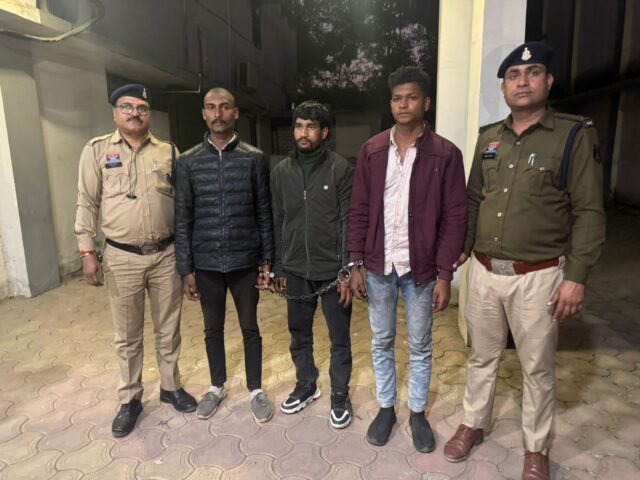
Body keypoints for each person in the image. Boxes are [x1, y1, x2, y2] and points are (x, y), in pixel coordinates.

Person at [443, 43, 606, 480]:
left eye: (532, 72)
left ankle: (536, 448)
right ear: (504, 87)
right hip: (483, 271)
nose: (522, 81)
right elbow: (473, 198)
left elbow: (590, 211)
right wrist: (462, 247)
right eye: (513, 75)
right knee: (482, 356)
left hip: (539, 276)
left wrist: (576, 277)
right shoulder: (489, 137)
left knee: (537, 368)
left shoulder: (572, 135)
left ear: (548, 81)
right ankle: (473, 423)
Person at [349, 66, 467, 452]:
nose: (403, 104)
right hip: (379, 264)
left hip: (422, 268)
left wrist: (445, 273)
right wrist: (355, 263)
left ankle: (417, 412)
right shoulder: (372, 150)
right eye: (397, 98)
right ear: (391, 104)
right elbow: (359, 209)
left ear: (425, 102)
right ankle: (386, 408)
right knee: (381, 340)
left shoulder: (445, 154)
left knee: (419, 343)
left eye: (411, 97)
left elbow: (455, 216)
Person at [75, 83, 197, 438]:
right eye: (127, 107)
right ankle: (130, 399)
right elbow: (87, 202)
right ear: (115, 112)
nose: (134, 113)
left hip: (165, 255)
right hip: (121, 256)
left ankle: (171, 387)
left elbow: (184, 206)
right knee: (127, 335)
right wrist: (87, 252)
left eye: (142, 108)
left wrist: (187, 257)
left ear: (149, 114)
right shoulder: (97, 150)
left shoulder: (168, 152)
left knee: (168, 328)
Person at [174, 87, 274, 423]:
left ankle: (256, 389)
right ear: (203, 113)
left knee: (250, 327)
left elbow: (264, 212)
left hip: (245, 261)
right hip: (206, 263)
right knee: (212, 328)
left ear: (236, 113)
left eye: (225, 107)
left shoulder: (254, 158)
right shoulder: (188, 161)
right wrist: (186, 269)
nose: (218, 114)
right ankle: (216, 386)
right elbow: (183, 217)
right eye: (211, 107)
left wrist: (267, 261)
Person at [270, 101, 354, 428]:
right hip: (295, 270)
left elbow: (348, 221)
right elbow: (277, 221)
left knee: (339, 338)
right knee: (299, 334)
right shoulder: (281, 172)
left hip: (333, 272)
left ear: (324, 132)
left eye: (311, 126)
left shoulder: (340, 169)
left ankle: (340, 395)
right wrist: (278, 267)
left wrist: (347, 270)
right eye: (299, 126)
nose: (304, 132)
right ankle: (306, 384)